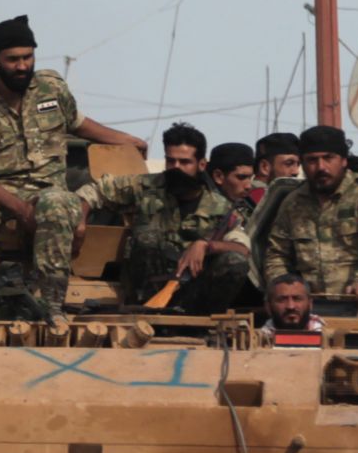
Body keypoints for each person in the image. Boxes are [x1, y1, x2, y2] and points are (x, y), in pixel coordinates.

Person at [0, 15, 147, 320]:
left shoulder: (50, 87)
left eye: (28, 57)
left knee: (58, 203)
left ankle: (52, 304)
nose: (22, 66)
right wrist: (18, 208)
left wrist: (124, 139)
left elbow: (78, 123)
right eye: (13, 59)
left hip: (49, 192)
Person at [78, 122, 254, 313]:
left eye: (185, 162)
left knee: (235, 262)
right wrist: (80, 223)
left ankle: (199, 326)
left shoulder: (222, 208)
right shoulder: (145, 187)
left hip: (192, 296)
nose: (176, 168)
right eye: (171, 161)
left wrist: (206, 245)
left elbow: (242, 249)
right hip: (142, 293)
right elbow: (92, 191)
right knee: (148, 237)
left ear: (202, 165)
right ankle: (147, 312)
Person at [264, 125, 358, 305]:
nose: (321, 167)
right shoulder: (293, 203)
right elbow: (276, 254)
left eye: (328, 158)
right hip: (311, 310)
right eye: (312, 160)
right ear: (303, 164)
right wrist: (284, 290)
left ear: (343, 160)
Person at [208, 142, 258, 220]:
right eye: (241, 177)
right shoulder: (205, 211)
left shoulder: (249, 207)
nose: (248, 186)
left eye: (250, 178)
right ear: (218, 176)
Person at [250, 132, 301, 208]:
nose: (296, 171)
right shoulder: (258, 199)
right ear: (264, 167)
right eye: (289, 163)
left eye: (298, 164)